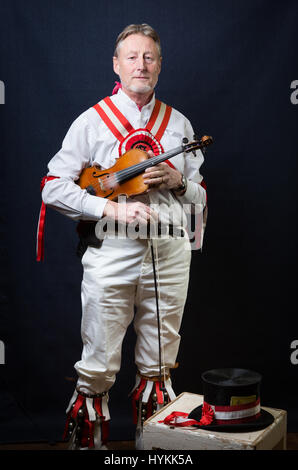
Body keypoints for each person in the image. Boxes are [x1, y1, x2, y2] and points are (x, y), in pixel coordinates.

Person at [39, 23, 207, 450]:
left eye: (149, 57)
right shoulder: (92, 121)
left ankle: (154, 453)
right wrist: (110, 208)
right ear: (117, 65)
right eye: (132, 56)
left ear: (160, 66)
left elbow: (200, 196)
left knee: (159, 367)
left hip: (169, 253)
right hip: (110, 251)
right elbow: (53, 186)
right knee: (97, 364)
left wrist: (178, 180)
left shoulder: (179, 124)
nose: (141, 64)